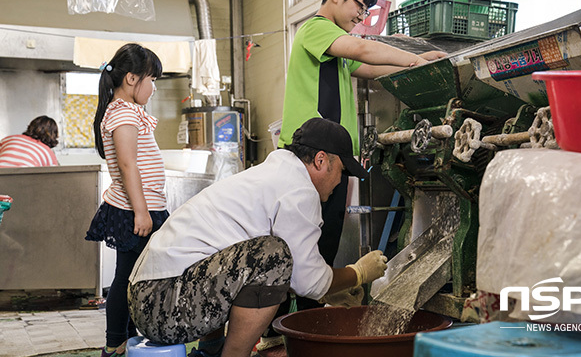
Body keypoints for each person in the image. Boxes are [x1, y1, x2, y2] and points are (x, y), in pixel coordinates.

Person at [127, 118, 389, 357]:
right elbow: (308, 281)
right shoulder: (299, 189)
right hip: (161, 303)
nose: (339, 182)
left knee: (253, 258)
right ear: (321, 161)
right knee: (273, 256)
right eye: (341, 171)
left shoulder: (273, 176)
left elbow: (297, 277)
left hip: (151, 295)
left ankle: (211, 351)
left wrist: (325, 287)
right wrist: (357, 273)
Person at [275, 0, 447, 319]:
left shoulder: (335, 49)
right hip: (308, 158)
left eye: (367, 9)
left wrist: (416, 64)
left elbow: (368, 68)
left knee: (323, 242)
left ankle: (304, 316)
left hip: (331, 159)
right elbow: (364, 51)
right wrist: (414, 59)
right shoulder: (315, 30)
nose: (362, 15)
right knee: (300, 245)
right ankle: (285, 321)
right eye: (359, 5)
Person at [84, 43, 169, 357]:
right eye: (152, 79)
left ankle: (125, 338)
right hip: (134, 211)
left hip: (141, 208)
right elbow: (127, 164)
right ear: (132, 79)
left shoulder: (130, 112)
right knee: (127, 278)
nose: (154, 87)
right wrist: (142, 212)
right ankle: (115, 341)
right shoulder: (122, 113)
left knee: (133, 276)